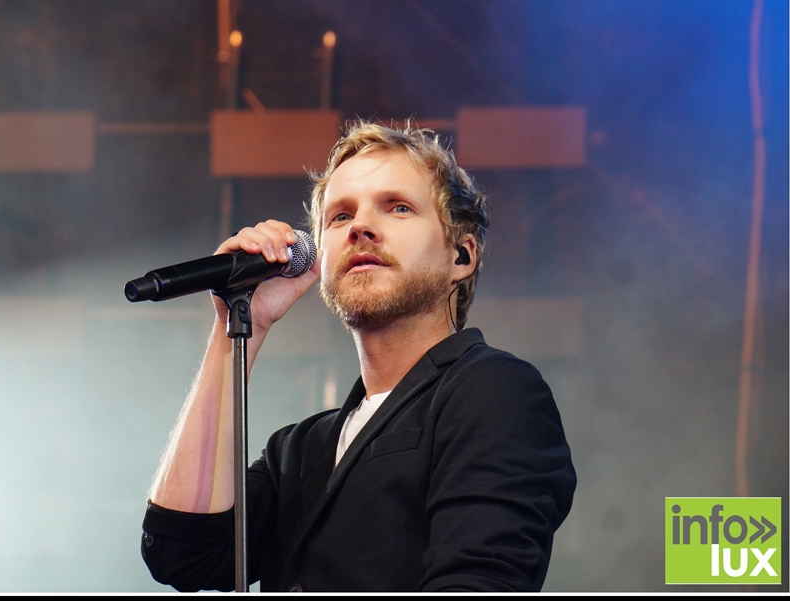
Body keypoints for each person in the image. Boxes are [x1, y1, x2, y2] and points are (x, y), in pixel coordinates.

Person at [141, 121, 576, 592]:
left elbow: (477, 581)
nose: (360, 227)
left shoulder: (493, 390)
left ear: (461, 256)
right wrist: (236, 327)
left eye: (399, 207)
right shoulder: (299, 450)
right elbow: (181, 554)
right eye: (340, 216)